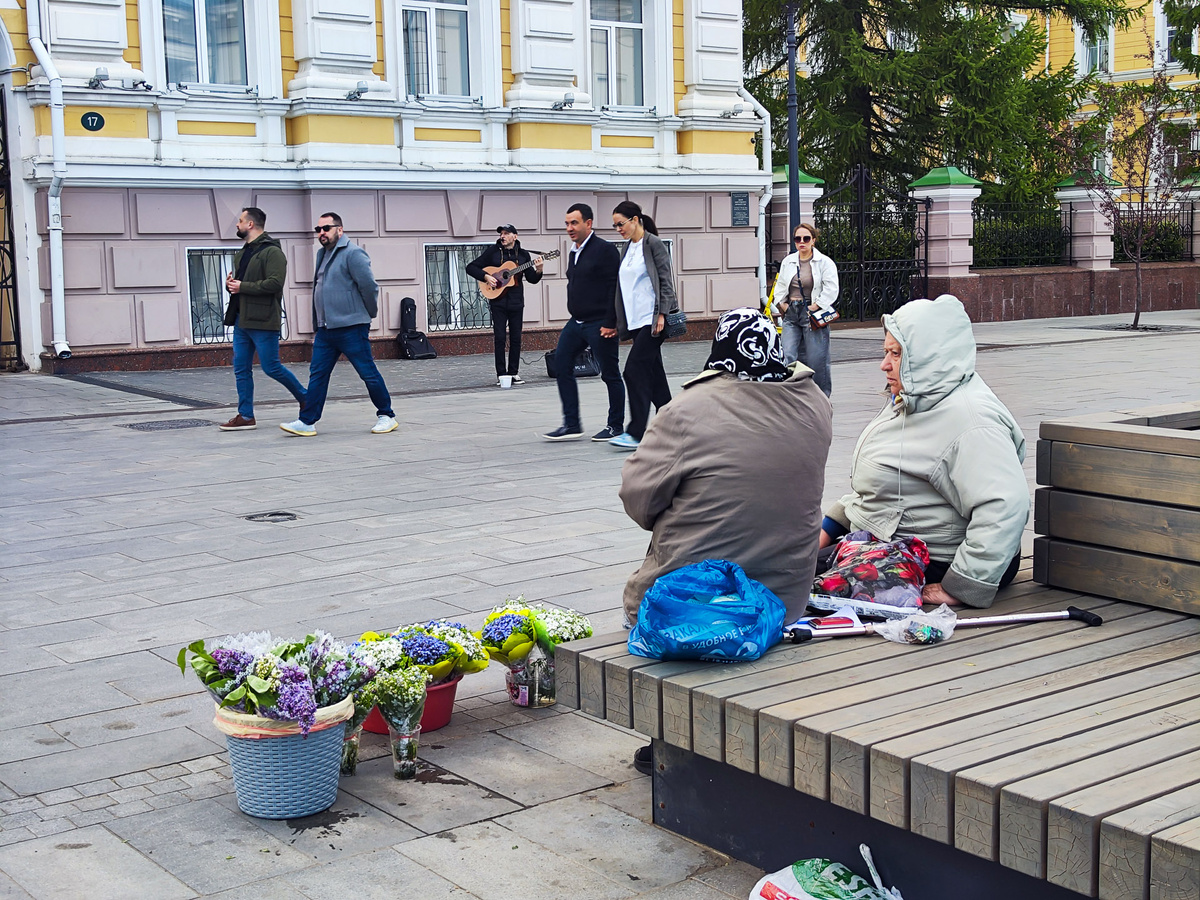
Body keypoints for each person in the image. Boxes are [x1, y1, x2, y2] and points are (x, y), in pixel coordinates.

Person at [620, 307, 833, 626]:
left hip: (693, 603)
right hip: (784, 602)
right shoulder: (816, 402)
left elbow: (638, 500)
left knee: (640, 610)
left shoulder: (685, 410)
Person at [818, 294, 1029, 608]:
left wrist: (961, 586)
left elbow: (1005, 505)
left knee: (796, 587)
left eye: (896, 354)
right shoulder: (915, 397)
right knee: (781, 566)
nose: (884, 365)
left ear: (927, 357)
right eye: (885, 352)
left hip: (940, 559)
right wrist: (827, 530)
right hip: (893, 542)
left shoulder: (971, 421)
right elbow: (884, 487)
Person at [280, 212, 398, 437]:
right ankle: (307, 422)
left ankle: (387, 415)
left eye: (326, 228)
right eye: (318, 230)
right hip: (326, 329)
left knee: (367, 372)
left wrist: (368, 313)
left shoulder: (353, 253)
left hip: (351, 327)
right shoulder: (322, 254)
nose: (321, 233)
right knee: (318, 374)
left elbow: (369, 287)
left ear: (340, 230)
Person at [219, 207, 307, 431]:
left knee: (271, 367)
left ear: (250, 224)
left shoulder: (272, 252)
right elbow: (242, 285)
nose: (237, 224)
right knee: (241, 368)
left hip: (263, 320)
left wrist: (243, 286)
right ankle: (246, 415)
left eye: (240, 220)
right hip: (241, 319)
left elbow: (275, 283)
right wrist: (232, 285)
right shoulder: (243, 253)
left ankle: (307, 398)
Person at [542, 203, 624, 442]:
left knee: (610, 374)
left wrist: (611, 322)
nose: (569, 228)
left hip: (600, 323)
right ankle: (572, 424)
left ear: (588, 223)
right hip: (576, 323)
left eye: (574, 223)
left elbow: (615, 288)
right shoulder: (574, 251)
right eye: (567, 223)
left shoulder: (605, 250)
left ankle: (615, 426)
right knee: (561, 363)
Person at [609, 200, 675, 452]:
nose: (618, 229)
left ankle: (636, 432)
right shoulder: (627, 248)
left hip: (652, 320)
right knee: (655, 375)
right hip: (636, 321)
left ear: (635, 220)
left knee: (633, 371)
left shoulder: (653, 244)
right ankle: (673, 421)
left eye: (621, 224)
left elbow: (666, 281)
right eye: (615, 226)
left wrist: (662, 314)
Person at [465, 224, 544, 386]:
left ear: (515, 236)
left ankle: (513, 373)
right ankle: (501, 374)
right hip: (498, 301)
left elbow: (532, 279)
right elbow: (470, 267)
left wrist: (539, 269)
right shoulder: (493, 252)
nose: (502, 236)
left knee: (516, 338)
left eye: (506, 233)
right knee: (500, 338)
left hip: (516, 302)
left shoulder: (523, 255)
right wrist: (486, 277)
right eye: (501, 233)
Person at [770, 222, 838, 396]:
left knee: (817, 359)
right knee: (787, 355)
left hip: (812, 313)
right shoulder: (789, 261)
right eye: (797, 239)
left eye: (806, 238)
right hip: (791, 313)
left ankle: (821, 396)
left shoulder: (824, 262)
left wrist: (816, 306)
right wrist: (782, 304)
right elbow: (780, 285)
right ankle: (792, 394)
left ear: (813, 240)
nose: (802, 242)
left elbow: (831, 288)